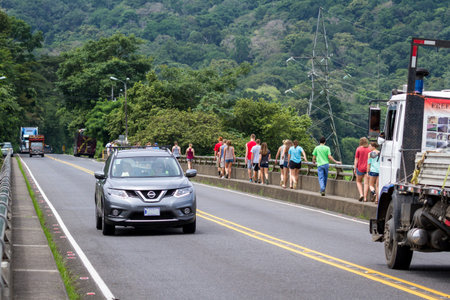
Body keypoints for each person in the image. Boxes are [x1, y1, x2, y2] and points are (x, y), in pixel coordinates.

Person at [354, 137, 371, 202]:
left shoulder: (358, 149)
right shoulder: (369, 149)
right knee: (366, 183)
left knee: (358, 181)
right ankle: (365, 198)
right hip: (367, 169)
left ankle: (361, 194)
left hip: (360, 168)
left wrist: (355, 168)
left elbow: (356, 159)